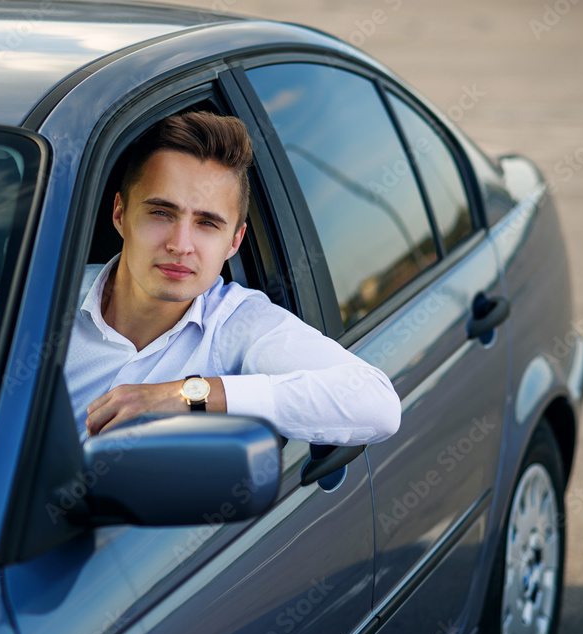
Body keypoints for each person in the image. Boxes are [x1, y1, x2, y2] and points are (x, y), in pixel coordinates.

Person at [64, 110, 401, 445]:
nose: (180, 246)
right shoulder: (40, 299)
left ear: (235, 241)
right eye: (161, 213)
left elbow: (377, 402)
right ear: (120, 214)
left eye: (207, 223)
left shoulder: (240, 325)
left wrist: (190, 396)